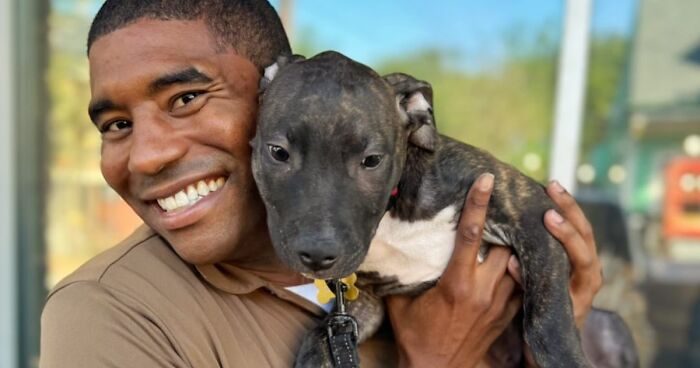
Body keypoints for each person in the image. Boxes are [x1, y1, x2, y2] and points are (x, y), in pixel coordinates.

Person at [39, 1, 602, 367]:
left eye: (186, 99)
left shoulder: (379, 250)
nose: (148, 156)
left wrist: (550, 331)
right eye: (116, 125)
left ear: (269, 93)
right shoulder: (110, 315)